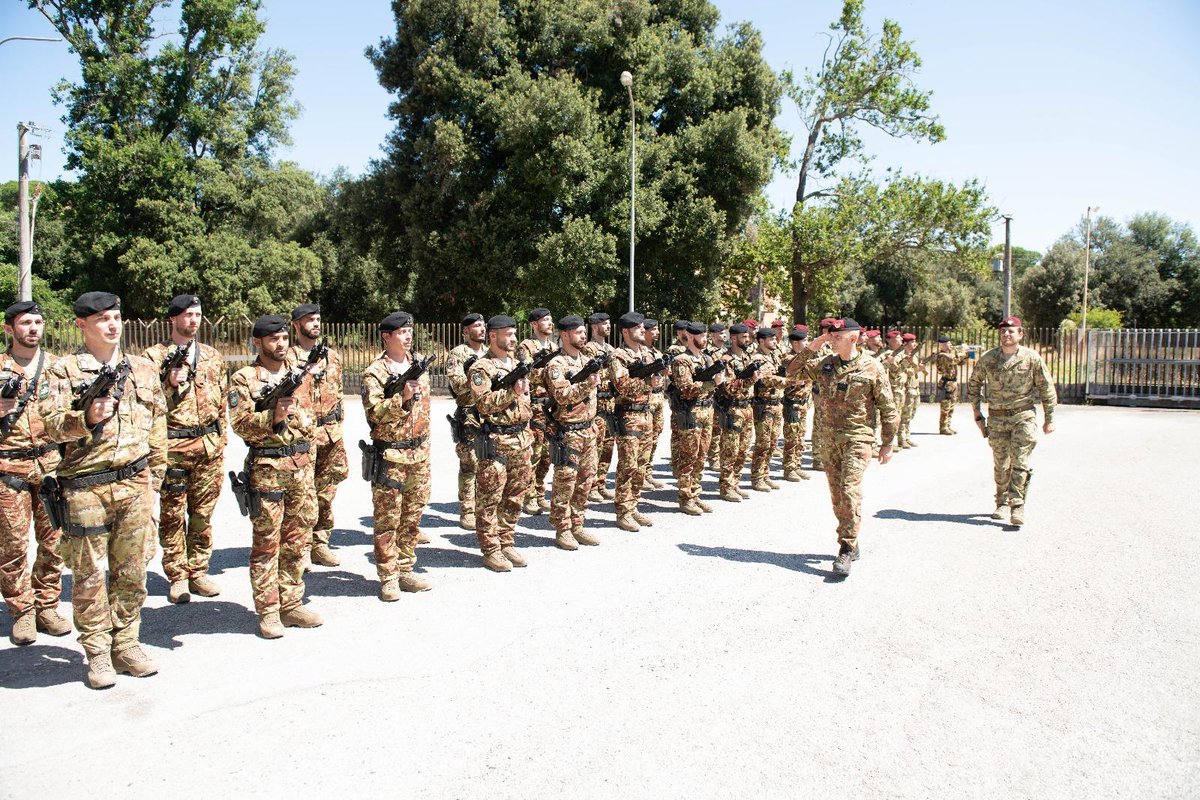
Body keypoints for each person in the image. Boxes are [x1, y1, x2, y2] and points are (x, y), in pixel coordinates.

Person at [41, 292, 167, 688]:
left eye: (116, 317)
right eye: (102, 319)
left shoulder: (144, 370)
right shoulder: (63, 372)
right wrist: (84, 419)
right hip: (85, 489)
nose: (113, 325)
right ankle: (97, 652)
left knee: (132, 572)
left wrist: (155, 480)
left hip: (135, 482)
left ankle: (127, 643)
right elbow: (50, 425)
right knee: (90, 575)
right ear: (82, 325)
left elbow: (158, 426)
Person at [229, 315, 322, 639]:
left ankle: (292, 602)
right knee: (267, 544)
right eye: (273, 339)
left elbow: (313, 417)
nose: (280, 344)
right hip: (268, 469)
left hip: (301, 467)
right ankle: (268, 611)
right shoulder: (244, 379)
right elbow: (239, 423)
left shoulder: (297, 375)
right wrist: (273, 417)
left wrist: (299, 421)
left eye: (284, 338)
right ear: (258, 342)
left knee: (299, 539)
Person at [788, 318, 897, 577]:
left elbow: (888, 407)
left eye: (837, 336)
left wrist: (888, 443)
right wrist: (813, 347)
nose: (832, 339)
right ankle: (853, 537)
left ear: (853, 338)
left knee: (848, 489)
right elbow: (792, 371)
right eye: (830, 336)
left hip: (858, 438)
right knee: (837, 495)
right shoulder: (825, 363)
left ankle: (845, 547)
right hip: (828, 439)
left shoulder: (872, 367)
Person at [142, 294, 227, 604]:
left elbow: (221, 404)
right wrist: (167, 383)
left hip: (208, 447)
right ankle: (177, 575)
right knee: (173, 515)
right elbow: (146, 406)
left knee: (203, 514)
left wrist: (221, 443)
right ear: (173, 319)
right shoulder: (152, 357)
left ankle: (199, 570)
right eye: (188, 315)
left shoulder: (212, 357)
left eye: (198, 314)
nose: (194, 320)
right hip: (174, 446)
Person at [0, 301, 69, 645]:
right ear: (9, 329)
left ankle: (47, 605)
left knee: (54, 541)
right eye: (26, 323)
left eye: (38, 322)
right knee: (12, 545)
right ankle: (21, 612)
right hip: (8, 467)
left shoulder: (57, 368)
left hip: (50, 465)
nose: (33, 328)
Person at [360, 312, 433, 599]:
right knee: (388, 520)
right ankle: (388, 576)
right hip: (391, 457)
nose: (408, 336)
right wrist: (400, 399)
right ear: (386, 336)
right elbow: (374, 415)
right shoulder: (374, 373)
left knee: (412, 517)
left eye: (409, 331)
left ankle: (406, 568)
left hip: (419, 454)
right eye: (401, 332)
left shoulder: (418, 366)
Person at [966, 317, 1057, 527]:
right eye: (1003, 332)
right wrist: (977, 413)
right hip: (997, 418)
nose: (1007, 335)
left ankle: (1017, 506)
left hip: (1023, 415)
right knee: (1001, 464)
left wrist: (1049, 419)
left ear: (1020, 335)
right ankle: (1001, 502)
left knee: (1020, 460)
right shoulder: (988, 359)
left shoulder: (1031, 358)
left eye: (1011, 331)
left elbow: (1046, 388)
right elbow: (974, 385)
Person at [468, 316, 534, 571]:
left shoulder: (517, 364)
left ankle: (506, 540)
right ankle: (491, 549)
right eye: (508, 334)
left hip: (521, 439)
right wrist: (511, 393)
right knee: (489, 498)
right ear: (493, 336)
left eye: (514, 334)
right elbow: (483, 403)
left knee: (516, 496)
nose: (513, 339)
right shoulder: (481, 368)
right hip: (497, 440)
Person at [289, 304, 348, 568]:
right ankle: (300, 547)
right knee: (303, 495)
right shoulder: (288, 358)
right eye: (309, 319)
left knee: (326, 492)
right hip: (303, 436)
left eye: (317, 318)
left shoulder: (332, 357)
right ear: (296, 325)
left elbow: (339, 393)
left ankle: (320, 542)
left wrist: (338, 424)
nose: (315, 323)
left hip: (331, 434)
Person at [544, 315, 602, 549]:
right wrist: (588, 383)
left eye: (583, 331)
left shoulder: (587, 361)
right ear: (565, 335)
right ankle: (562, 528)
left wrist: (593, 420)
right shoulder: (556, 365)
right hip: (568, 432)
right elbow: (561, 396)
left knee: (586, 481)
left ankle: (578, 524)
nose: (583, 336)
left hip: (588, 430)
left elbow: (592, 398)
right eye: (578, 332)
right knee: (565, 482)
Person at [610, 312, 662, 532]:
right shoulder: (618, 356)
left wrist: (654, 381)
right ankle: (623, 511)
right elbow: (622, 385)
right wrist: (648, 382)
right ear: (625, 331)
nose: (643, 330)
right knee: (628, 466)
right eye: (637, 327)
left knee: (641, 465)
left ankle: (633, 505)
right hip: (628, 417)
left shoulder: (648, 355)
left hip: (647, 414)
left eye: (643, 327)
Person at [669, 321, 722, 515]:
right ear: (691, 337)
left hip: (707, 411)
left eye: (706, 335)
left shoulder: (707, 359)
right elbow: (685, 390)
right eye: (701, 336)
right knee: (688, 458)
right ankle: (685, 498)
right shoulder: (682, 360)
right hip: (690, 413)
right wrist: (711, 384)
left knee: (701, 457)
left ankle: (695, 494)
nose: (705, 339)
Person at [446, 313, 487, 530]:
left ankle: (484, 507)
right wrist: (480, 378)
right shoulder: (458, 354)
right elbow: (458, 385)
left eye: (483, 325)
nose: (482, 329)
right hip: (469, 413)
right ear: (465, 331)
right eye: (476, 326)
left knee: (489, 462)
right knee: (469, 463)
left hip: (490, 413)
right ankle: (468, 510)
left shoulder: (490, 352)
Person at [516, 308, 557, 515]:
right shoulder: (526, 346)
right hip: (535, 406)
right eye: (545, 320)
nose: (550, 323)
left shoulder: (554, 346)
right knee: (535, 452)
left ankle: (540, 492)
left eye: (551, 320)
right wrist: (547, 371)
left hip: (551, 405)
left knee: (548, 455)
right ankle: (528, 495)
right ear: (534, 324)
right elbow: (526, 375)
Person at [715, 323, 759, 503]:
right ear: (733, 338)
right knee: (730, 450)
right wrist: (749, 381)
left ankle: (735, 482)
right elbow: (727, 389)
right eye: (744, 337)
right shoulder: (726, 360)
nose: (747, 340)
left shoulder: (747, 357)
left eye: (748, 337)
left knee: (743, 450)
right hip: (733, 408)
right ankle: (726, 486)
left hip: (747, 407)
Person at [749, 326, 786, 491]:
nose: (775, 341)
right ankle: (757, 477)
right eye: (771, 339)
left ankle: (765, 474)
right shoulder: (758, 358)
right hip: (764, 405)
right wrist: (788, 381)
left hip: (776, 403)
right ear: (761, 341)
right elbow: (765, 380)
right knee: (762, 443)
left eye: (775, 339)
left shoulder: (772, 356)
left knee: (772, 443)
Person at [586, 312, 617, 502]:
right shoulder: (589, 349)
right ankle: (590, 487)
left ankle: (601, 482)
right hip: (597, 403)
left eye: (609, 323)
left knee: (608, 447)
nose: (608, 327)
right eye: (604, 324)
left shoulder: (611, 349)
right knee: (595, 448)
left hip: (611, 404)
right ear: (594, 326)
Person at [779, 326, 812, 481]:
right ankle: (789, 468)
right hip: (792, 402)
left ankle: (796, 465)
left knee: (800, 437)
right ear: (796, 343)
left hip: (803, 403)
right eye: (805, 340)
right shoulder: (788, 358)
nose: (807, 343)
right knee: (791, 438)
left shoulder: (806, 358)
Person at [641, 318, 667, 490]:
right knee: (644, 439)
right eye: (654, 329)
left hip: (659, 398)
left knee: (655, 437)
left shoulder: (657, 352)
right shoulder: (641, 352)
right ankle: (640, 474)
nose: (657, 332)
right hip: (648, 397)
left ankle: (647, 473)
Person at [808, 318, 838, 470]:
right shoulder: (818, 347)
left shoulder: (835, 346)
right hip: (821, 391)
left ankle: (828, 454)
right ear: (826, 331)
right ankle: (818, 457)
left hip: (834, 391)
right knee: (820, 422)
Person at [927, 335, 968, 434]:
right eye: (947, 343)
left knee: (951, 406)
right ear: (942, 345)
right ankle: (943, 427)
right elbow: (955, 359)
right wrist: (963, 351)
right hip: (946, 383)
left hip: (952, 382)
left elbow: (961, 362)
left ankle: (948, 426)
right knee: (945, 406)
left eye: (950, 342)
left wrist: (968, 354)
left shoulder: (949, 354)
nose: (950, 345)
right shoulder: (942, 355)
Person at [704, 323, 728, 472]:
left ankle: (720, 455)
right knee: (715, 429)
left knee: (724, 427)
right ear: (712, 336)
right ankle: (713, 458)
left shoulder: (726, 351)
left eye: (724, 333)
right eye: (720, 333)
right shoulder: (709, 353)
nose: (723, 335)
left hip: (726, 392)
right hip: (715, 393)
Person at [882, 330, 911, 449]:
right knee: (893, 417)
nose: (901, 340)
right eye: (898, 338)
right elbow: (894, 372)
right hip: (893, 388)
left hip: (901, 388)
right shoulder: (888, 354)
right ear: (891, 341)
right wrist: (902, 363)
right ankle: (890, 442)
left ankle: (902, 439)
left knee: (901, 415)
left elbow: (906, 371)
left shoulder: (901, 353)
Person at [899, 332, 923, 447]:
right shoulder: (903, 356)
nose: (914, 344)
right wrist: (917, 369)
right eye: (912, 342)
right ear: (906, 344)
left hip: (915, 387)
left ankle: (907, 437)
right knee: (905, 414)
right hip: (907, 388)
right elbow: (905, 372)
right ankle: (902, 438)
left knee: (911, 414)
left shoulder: (915, 356)